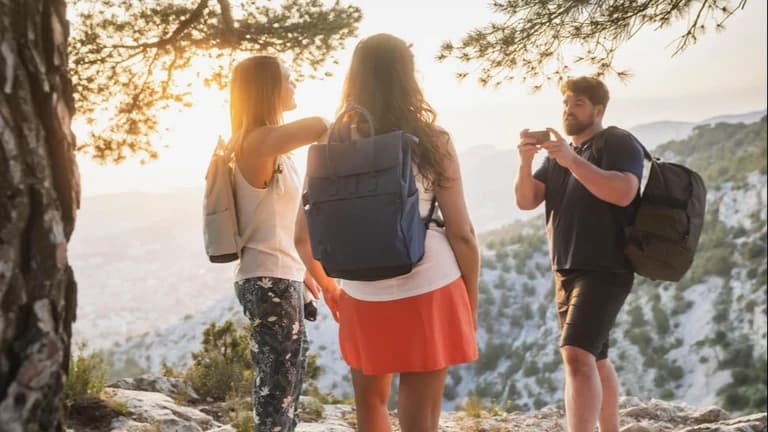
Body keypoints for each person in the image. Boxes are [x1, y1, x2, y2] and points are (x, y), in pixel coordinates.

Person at [294, 34, 479, 432]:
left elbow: (301, 236)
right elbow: (462, 233)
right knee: (420, 416)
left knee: (370, 405)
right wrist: (470, 295)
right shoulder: (432, 140)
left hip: (361, 291)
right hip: (430, 282)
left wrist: (330, 288)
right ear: (407, 77)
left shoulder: (330, 143)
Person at [514, 76, 644, 432]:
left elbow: (624, 192)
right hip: (566, 268)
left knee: (575, 355)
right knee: (595, 357)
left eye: (579, 104)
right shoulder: (561, 154)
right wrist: (525, 162)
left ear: (598, 110)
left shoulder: (616, 141)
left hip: (605, 266)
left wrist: (571, 160)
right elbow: (526, 200)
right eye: (566, 104)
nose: (569, 110)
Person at [227, 54, 328, 432]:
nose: (295, 83)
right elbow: (320, 126)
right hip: (269, 280)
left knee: (287, 386)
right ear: (267, 89)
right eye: (288, 78)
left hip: (279, 277)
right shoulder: (257, 141)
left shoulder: (268, 146)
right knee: (276, 391)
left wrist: (302, 273)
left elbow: (276, 222)